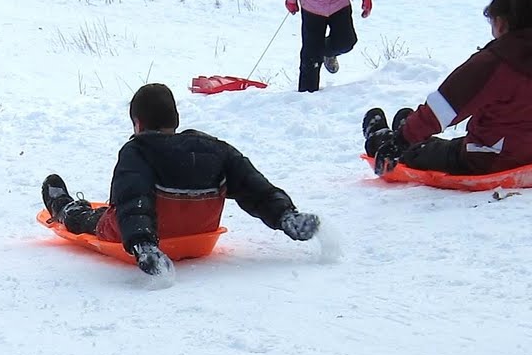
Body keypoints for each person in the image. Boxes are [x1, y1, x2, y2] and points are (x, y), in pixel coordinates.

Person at [40, 83, 321, 282]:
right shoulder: (216, 149)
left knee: (93, 219)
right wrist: (284, 213)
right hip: (201, 233)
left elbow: (134, 198)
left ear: (138, 123)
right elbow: (254, 187)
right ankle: (289, 219)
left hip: (149, 235)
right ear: (175, 119)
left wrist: (143, 245)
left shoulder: (138, 150)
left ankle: (64, 208)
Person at [363, 0, 532, 176]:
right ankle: (409, 127)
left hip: (487, 162)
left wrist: (401, 141)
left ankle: (381, 140)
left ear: (501, 23)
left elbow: (444, 107)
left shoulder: (493, 63)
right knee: (443, 144)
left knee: (418, 152)